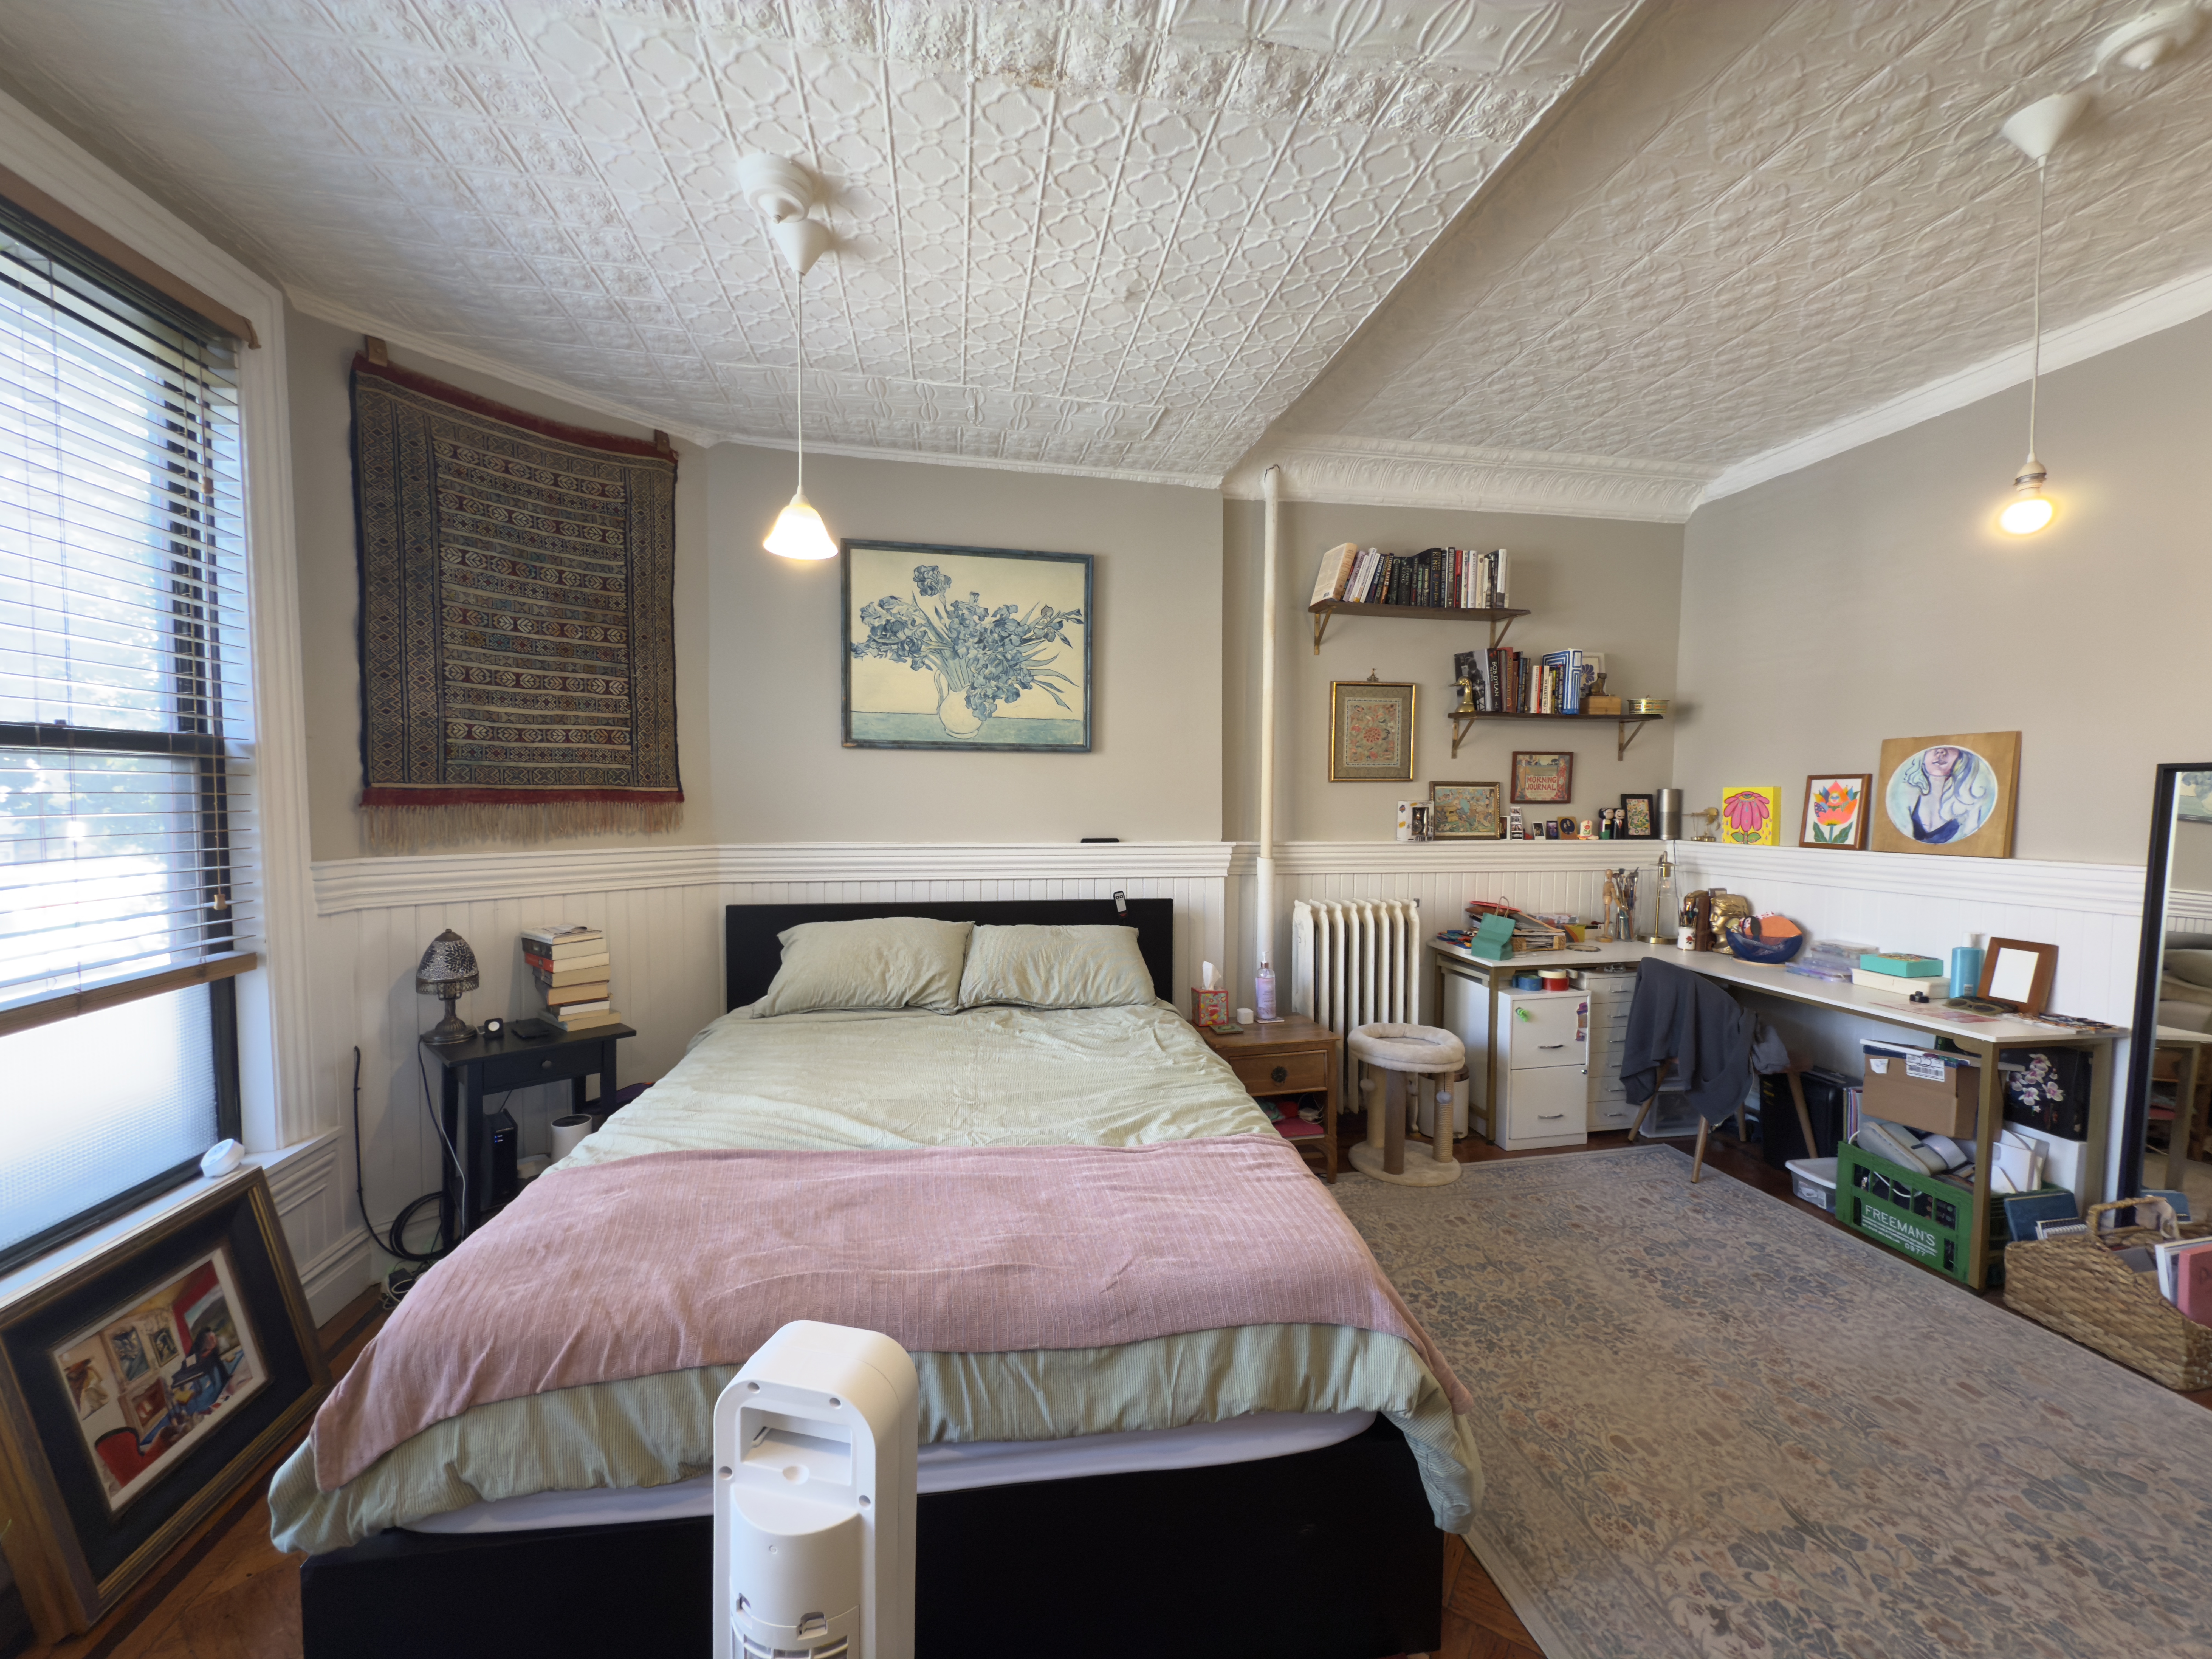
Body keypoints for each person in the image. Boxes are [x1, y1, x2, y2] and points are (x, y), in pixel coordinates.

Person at [1899, 745, 1993, 843]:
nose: (1941, 751)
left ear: (1961, 758)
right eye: (1932, 748)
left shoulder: (1972, 803)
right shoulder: (1907, 794)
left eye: (1950, 748)